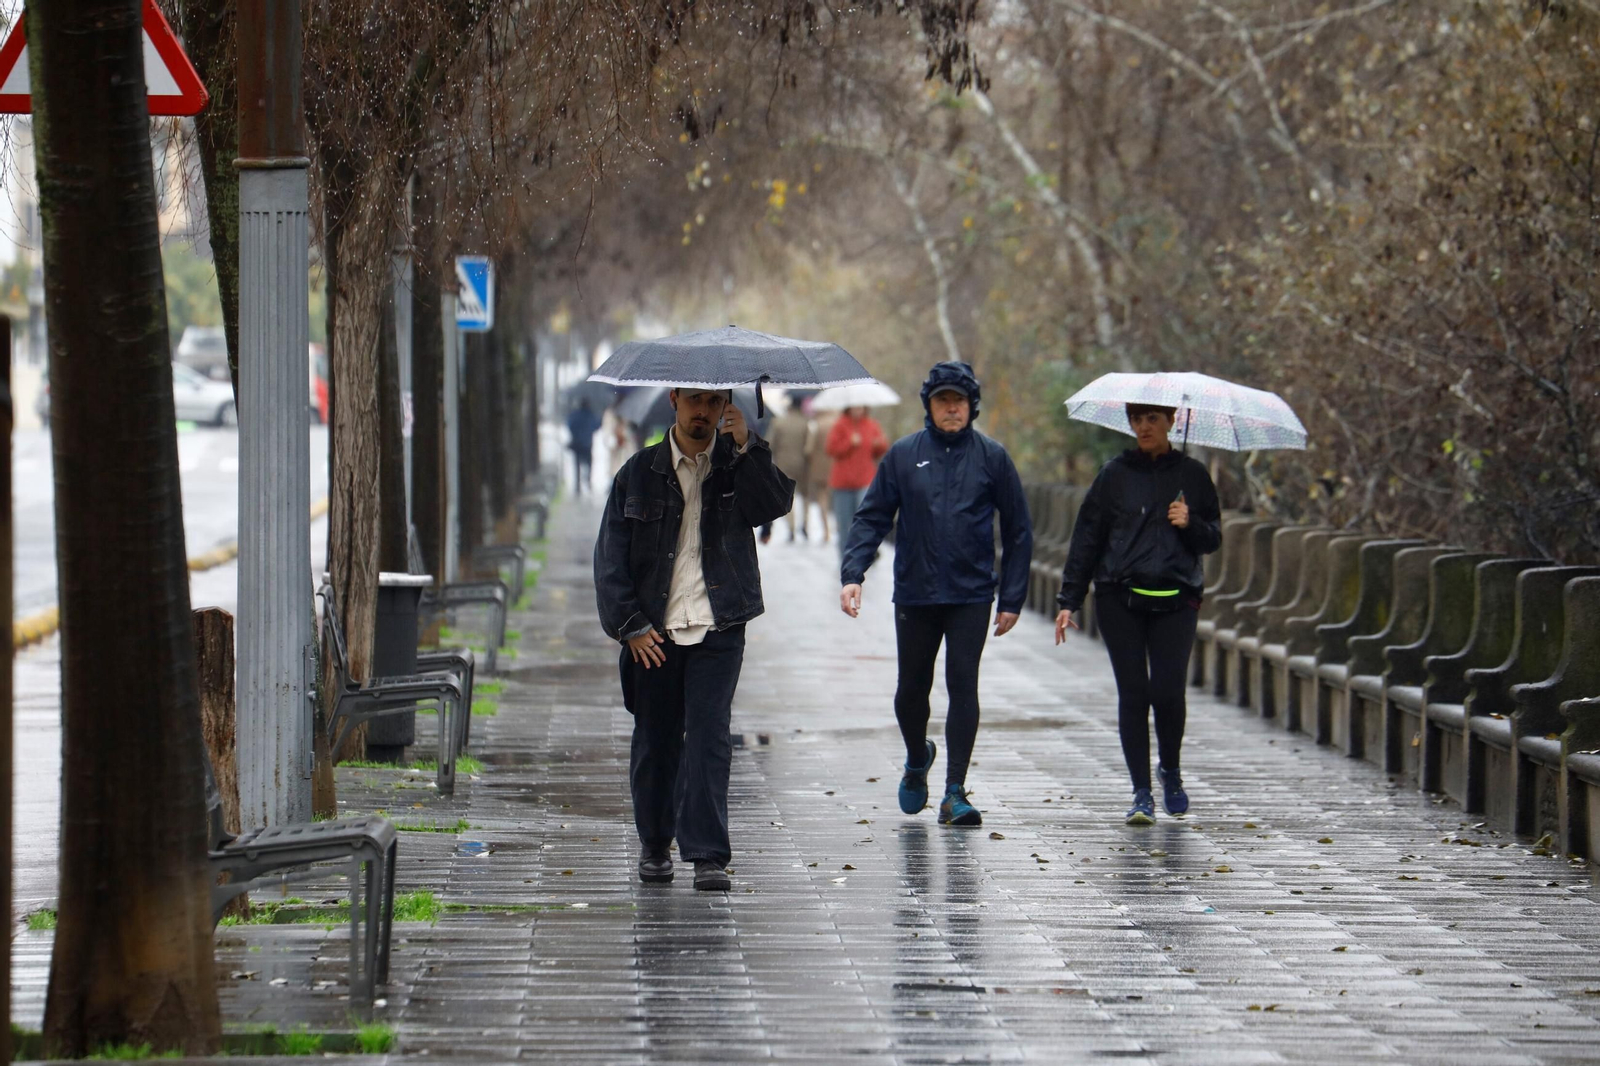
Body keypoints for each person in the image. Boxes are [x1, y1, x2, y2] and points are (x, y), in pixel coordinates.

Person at [593, 388, 795, 890]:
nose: (702, 412)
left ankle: (707, 854)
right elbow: (610, 560)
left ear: (726, 403)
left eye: (713, 401)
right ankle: (655, 844)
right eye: (694, 401)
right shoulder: (638, 473)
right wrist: (630, 626)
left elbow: (774, 504)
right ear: (675, 401)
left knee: (709, 738)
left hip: (719, 622)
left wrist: (749, 447)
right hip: (653, 632)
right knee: (656, 739)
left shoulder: (735, 462)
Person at [838, 362, 1033, 828]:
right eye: (943, 400)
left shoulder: (993, 458)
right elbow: (872, 517)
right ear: (929, 405)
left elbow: (1020, 530)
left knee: (963, 685)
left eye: (959, 401)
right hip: (916, 591)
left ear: (972, 407)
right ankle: (915, 756)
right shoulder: (904, 456)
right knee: (911, 690)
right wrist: (853, 573)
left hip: (971, 593)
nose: (951, 408)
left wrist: (1012, 598)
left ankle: (954, 793)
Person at [1053, 403, 1222, 826]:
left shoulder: (1194, 476)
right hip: (1119, 596)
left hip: (1177, 596)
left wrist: (1190, 522)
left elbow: (1213, 539)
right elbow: (1087, 538)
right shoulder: (1114, 475)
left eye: (1152, 419)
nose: (1144, 427)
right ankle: (1141, 792)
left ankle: (1171, 770)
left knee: (1167, 692)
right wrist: (1069, 600)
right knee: (1134, 694)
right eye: (1137, 420)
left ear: (1170, 422)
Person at [825, 404, 889, 555]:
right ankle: (844, 558)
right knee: (844, 524)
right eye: (855, 407)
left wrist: (879, 444)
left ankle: (866, 554)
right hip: (842, 483)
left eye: (860, 407)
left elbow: (880, 450)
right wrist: (849, 443)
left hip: (865, 480)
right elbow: (830, 449)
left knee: (864, 520)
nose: (858, 411)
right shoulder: (840, 425)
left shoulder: (872, 425)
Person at [764, 400, 813, 542]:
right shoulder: (805, 423)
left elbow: (769, 443)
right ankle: (805, 524)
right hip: (803, 465)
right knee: (805, 496)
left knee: (787, 495)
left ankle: (791, 527)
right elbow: (809, 446)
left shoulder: (778, 423)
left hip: (783, 464)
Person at [804, 407, 837, 544]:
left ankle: (826, 531)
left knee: (822, 498)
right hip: (836, 466)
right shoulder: (838, 422)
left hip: (820, 467)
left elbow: (808, 449)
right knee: (836, 498)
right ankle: (840, 527)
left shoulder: (817, 425)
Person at [566, 400, 602, 496]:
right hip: (587, 444)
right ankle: (588, 481)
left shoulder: (575, 415)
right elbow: (597, 426)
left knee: (577, 465)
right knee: (589, 463)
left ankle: (577, 486)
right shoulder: (590, 415)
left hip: (577, 444)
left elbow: (569, 425)